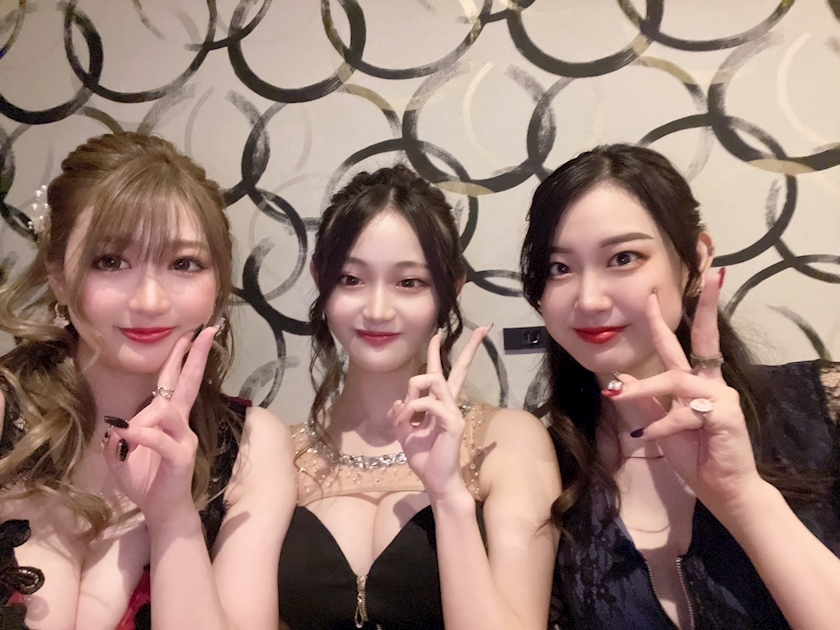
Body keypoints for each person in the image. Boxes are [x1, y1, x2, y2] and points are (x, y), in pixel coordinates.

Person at [520, 143, 840, 629]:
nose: (588, 299)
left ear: (695, 259)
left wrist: (741, 496)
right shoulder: (549, 468)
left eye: (623, 257)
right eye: (559, 268)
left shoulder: (821, 407)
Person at [0, 132, 296, 630]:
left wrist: (172, 515)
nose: (150, 301)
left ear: (217, 283)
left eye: (184, 264)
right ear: (58, 276)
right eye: (111, 262)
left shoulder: (250, 446)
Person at [277, 164, 561, 629]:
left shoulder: (507, 443)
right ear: (320, 279)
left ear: (450, 290)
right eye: (351, 279)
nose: (377, 309)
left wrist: (448, 495)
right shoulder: (278, 454)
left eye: (409, 282)